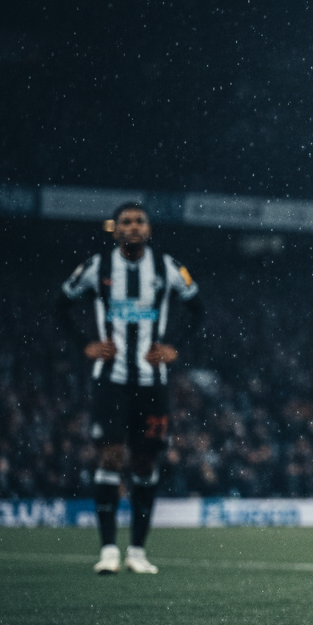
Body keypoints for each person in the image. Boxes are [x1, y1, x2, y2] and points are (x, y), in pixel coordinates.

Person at [58, 203, 203, 574]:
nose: (134, 227)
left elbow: (198, 308)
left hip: (152, 383)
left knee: (144, 462)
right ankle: (108, 549)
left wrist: (174, 346)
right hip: (111, 380)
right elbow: (61, 305)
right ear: (116, 230)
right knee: (110, 457)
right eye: (126, 222)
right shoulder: (97, 267)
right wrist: (85, 344)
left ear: (148, 230)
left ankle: (137, 551)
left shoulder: (167, 268)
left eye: (140, 221)